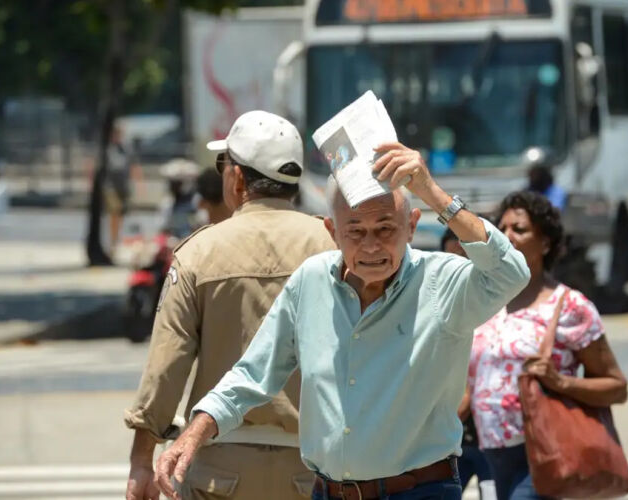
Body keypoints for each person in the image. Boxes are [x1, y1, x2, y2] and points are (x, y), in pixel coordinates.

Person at [154, 142, 531, 500]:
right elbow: (253, 374)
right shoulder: (311, 280)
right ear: (333, 233)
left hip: (420, 491)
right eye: (355, 231)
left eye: (385, 229)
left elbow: (511, 273)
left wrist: (431, 191)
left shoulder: (443, 281)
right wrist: (193, 434)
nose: (371, 246)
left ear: (412, 226)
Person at [124, 111, 336, 500]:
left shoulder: (199, 253)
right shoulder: (334, 246)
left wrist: (141, 461)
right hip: (316, 467)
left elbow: (166, 366)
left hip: (219, 467)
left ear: (237, 178)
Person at [468, 191, 628, 500]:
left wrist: (560, 382)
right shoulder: (485, 298)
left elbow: (616, 386)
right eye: (502, 229)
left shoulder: (569, 306)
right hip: (488, 450)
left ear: (546, 243)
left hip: (541, 451)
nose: (508, 236)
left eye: (520, 229)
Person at [441, 228, 496, 500]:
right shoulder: (437, 308)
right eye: (452, 256)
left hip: (493, 442)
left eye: (466, 256)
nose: (460, 266)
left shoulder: (497, 304)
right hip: (450, 445)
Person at [104, 125, 144, 254]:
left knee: (120, 214)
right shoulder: (107, 149)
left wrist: (139, 184)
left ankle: (116, 238)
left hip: (124, 186)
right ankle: (113, 241)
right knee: (114, 212)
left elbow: (134, 165)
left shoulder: (126, 149)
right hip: (110, 186)